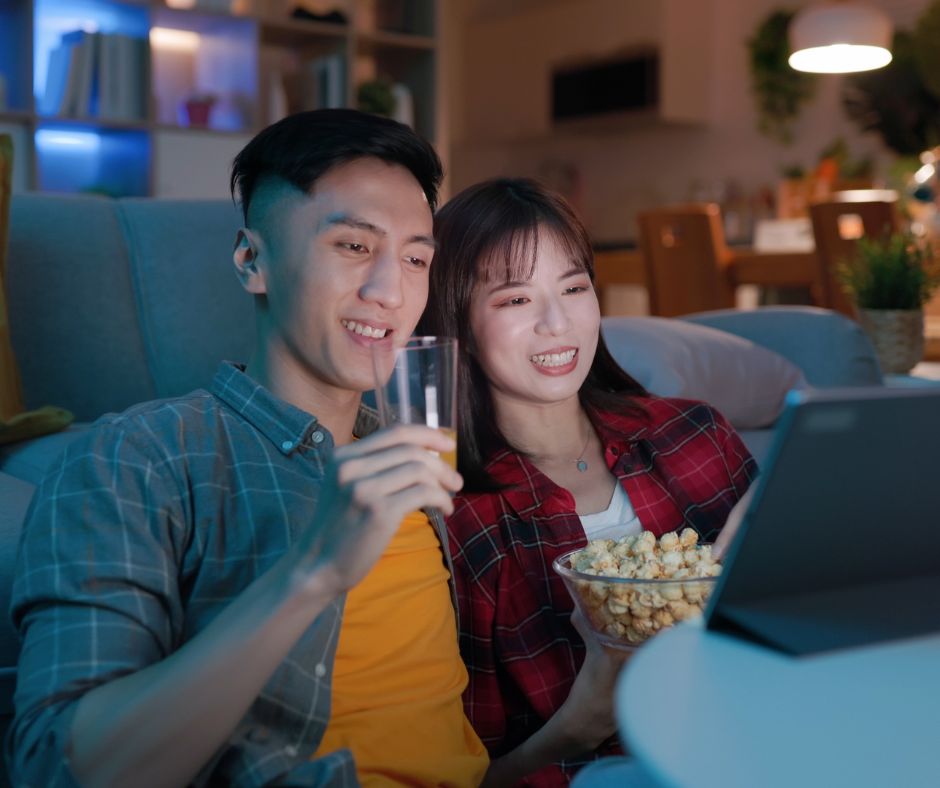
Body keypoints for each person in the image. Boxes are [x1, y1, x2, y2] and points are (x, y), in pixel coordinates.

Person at [7, 109, 489, 787]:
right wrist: (311, 572)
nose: (391, 291)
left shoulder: (419, 450)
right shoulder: (143, 456)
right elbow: (59, 767)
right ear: (252, 260)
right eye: (354, 246)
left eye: (415, 258)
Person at [418, 177, 757, 785]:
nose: (558, 322)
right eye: (516, 300)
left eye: (574, 288)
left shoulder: (696, 434)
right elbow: (463, 779)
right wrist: (580, 723)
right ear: (459, 325)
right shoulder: (458, 522)